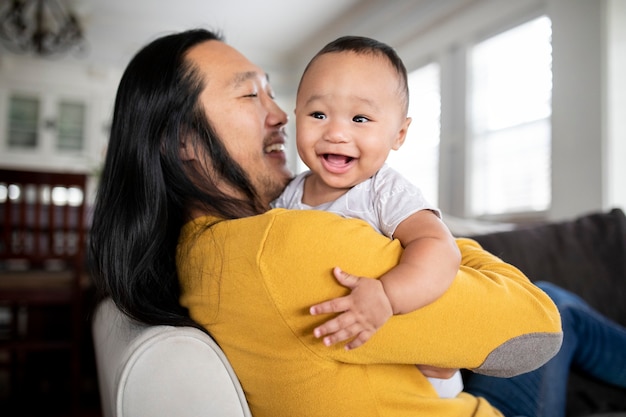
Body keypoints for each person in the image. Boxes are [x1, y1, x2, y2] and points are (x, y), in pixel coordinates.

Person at [88, 28, 625, 417]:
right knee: (561, 307)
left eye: (275, 93)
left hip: (432, 372)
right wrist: (456, 256)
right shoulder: (287, 244)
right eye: (252, 94)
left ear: (398, 133)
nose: (280, 115)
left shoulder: (198, 253)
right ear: (179, 138)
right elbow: (536, 325)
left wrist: (431, 242)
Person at [272, 35, 462, 396]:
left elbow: (440, 247)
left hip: (423, 370)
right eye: (318, 114)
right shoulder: (289, 195)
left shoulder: (383, 191)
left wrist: (387, 296)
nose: (337, 132)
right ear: (297, 116)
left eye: (360, 118)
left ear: (399, 134)